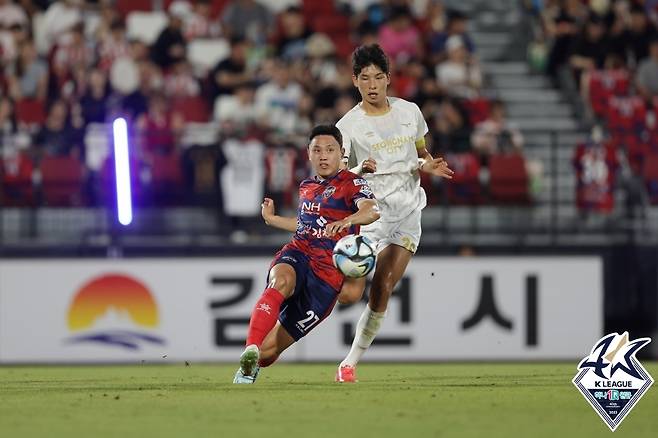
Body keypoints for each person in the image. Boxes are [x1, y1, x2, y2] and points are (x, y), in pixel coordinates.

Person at [334, 43, 453, 382]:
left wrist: (429, 165)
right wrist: (359, 168)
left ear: (388, 79)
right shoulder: (348, 126)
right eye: (365, 78)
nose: (372, 84)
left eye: (378, 77)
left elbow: (420, 152)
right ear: (355, 81)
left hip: (407, 212)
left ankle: (349, 363)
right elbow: (341, 177)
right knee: (348, 295)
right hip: (372, 216)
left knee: (383, 286)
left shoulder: (410, 112)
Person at [233, 124, 381, 384]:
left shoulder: (352, 182)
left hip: (326, 278)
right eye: (317, 150)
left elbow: (372, 211)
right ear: (309, 154)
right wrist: (272, 219)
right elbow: (305, 225)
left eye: (330, 150)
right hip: (299, 252)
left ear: (341, 153)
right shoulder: (306, 186)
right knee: (280, 281)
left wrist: (347, 222)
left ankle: (256, 359)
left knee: (269, 353)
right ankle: (250, 349)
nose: (323, 155)